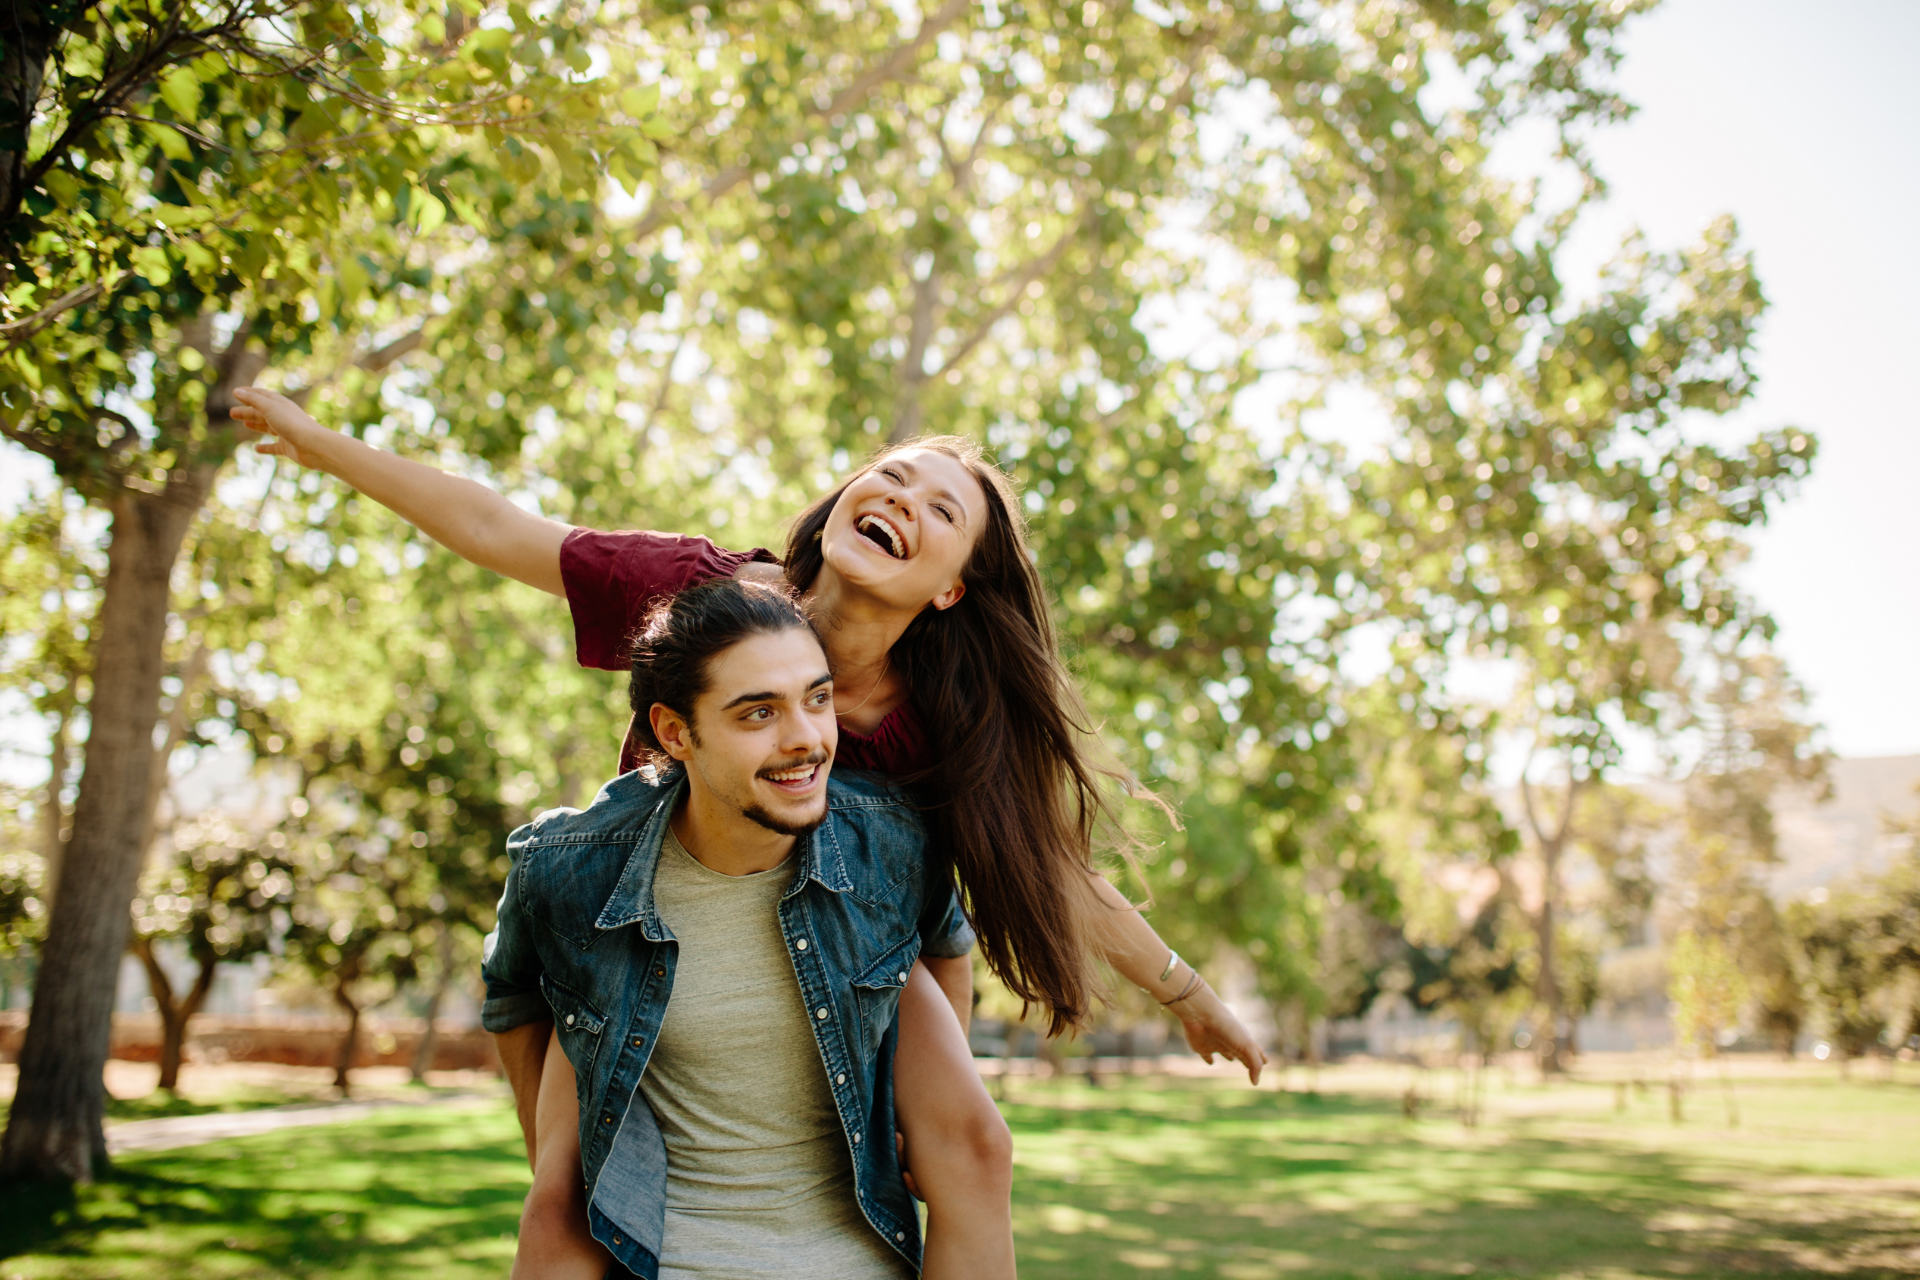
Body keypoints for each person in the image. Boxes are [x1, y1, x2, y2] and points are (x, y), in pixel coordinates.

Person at [231, 386, 1267, 1278]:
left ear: (952, 585)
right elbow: (505, 529)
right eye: (890, 477)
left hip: (851, 941)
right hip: (652, 922)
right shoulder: (707, 600)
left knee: (972, 1145)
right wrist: (320, 442)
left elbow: (1044, 873)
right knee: (561, 1204)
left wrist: (1187, 991)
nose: (901, 499)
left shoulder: (937, 720)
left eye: (940, 508)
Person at [484, 577, 967, 1278]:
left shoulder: (891, 842)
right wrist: (558, 1165)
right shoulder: (567, 869)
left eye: (818, 699)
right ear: (675, 733)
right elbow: (512, 997)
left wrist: (922, 1111)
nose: (806, 739)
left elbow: (946, 945)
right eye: (758, 713)